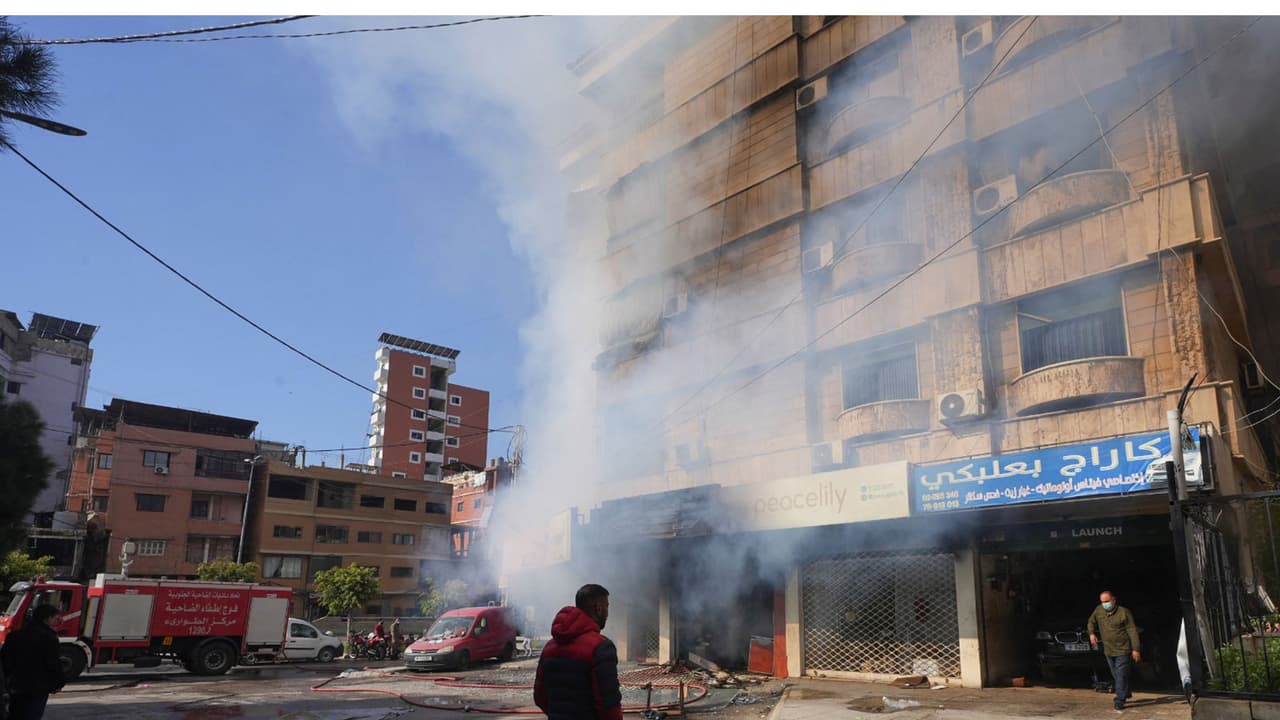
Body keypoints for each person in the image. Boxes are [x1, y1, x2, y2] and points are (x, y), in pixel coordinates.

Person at [534, 584, 622, 720]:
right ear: (598, 608)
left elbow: (540, 697)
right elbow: (608, 706)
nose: (607, 612)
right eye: (607, 606)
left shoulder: (549, 648)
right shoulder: (601, 647)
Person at [1, 604, 65, 720]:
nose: (57, 621)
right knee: (32, 714)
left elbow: (4, 660)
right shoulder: (48, 637)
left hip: (15, 685)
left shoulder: (14, 636)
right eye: (55, 618)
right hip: (37, 687)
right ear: (47, 618)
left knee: (15, 714)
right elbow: (53, 663)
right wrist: (58, 683)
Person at [1087, 590, 1141, 711]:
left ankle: (1120, 699)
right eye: (1102, 602)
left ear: (1113, 600)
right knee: (1116, 674)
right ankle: (1125, 692)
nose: (1105, 604)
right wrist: (1091, 634)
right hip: (1108, 650)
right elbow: (1091, 622)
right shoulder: (1099, 610)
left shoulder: (1124, 612)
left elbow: (1132, 631)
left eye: (1106, 601)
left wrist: (1136, 649)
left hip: (1123, 649)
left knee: (1121, 675)